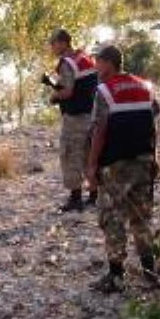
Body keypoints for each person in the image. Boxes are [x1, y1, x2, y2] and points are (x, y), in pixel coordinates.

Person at [85, 44, 160, 294]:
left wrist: (92, 164)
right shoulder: (146, 87)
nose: (95, 66)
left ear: (109, 63)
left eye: (98, 61)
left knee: (112, 218)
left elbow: (99, 131)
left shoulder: (104, 92)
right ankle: (150, 271)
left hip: (116, 165)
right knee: (142, 217)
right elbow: (152, 126)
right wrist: (154, 158)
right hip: (143, 162)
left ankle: (116, 276)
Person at [43, 29, 99, 212]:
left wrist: (53, 98)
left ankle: (75, 198)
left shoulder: (66, 63)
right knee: (88, 154)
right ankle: (94, 195)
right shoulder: (84, 57)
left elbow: (67, 91)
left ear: (63, 43)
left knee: (70, 154)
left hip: (75, 117)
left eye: (53, 43)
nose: (51, 47)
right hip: (91, 114)